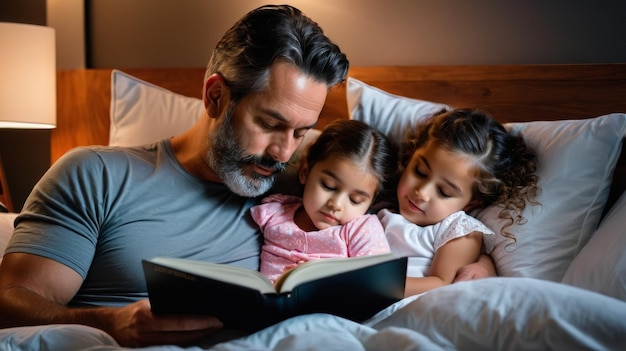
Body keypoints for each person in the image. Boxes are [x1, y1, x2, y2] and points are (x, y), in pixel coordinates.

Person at [0, 5, 495, 348]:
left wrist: (486, 264)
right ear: (216, 96)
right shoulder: (98, 173)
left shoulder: (307, 185)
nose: (283, 152)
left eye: (301, 131)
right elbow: (12, 300)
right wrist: (110, 323)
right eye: (270, 123)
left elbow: (418, 204)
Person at [379, 108, 539, 297]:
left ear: (471, 203)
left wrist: (372, 285)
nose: (421, 192)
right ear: (411, 156)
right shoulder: (379, 198)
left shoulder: (458, 230)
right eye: (420, 171)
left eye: (444, 192)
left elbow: (442, 284)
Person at [252, 120, 397, 283]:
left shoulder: (360, 230)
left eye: (355, 200)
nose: (336, 204)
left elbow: (377, 280)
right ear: (305, 171)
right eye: (328, 186)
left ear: (370, 202)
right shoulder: (273, 213)